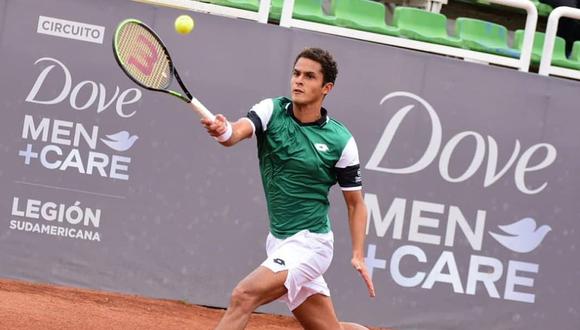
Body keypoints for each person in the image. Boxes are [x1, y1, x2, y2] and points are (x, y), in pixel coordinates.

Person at [201, 47, 375, 330]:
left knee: (243, 295)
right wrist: (223, 129)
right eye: (296, 73)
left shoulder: (341, 141)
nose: (298, 81)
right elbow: (235, 133)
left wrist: (358, 254)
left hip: (311, 244)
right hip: (279, 241)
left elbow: (356, 204)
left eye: (309, 76)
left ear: (326, 87)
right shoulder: (271, 111)